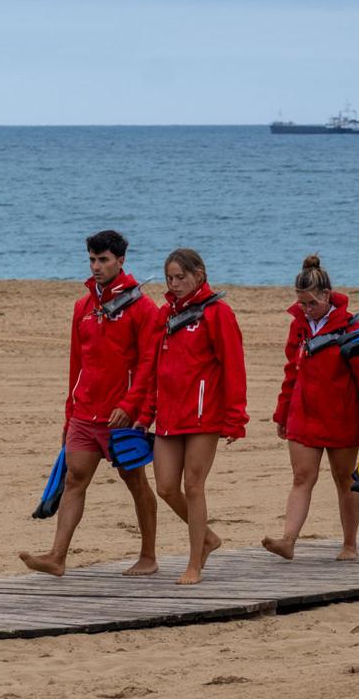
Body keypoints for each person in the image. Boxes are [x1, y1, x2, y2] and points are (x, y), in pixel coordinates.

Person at [19, 230, 160, 577]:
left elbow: (148, 364)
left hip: (121, 418)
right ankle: (57, 556)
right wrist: (69, 415)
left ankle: (149, 556)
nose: (96, 267)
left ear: (121, 261)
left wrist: (132, 407)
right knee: (74, 480)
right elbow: (76, 365)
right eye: (92, 260)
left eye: (104, 260)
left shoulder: (142, 307)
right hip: (84, 414)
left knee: (136, 482)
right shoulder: (82, 306)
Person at [262, 255, 359, 562]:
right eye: (301, 304)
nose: (305, 309)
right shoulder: (298, 328)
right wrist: (282, 412)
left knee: (345, 481)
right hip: (303, 414)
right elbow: (292, 371)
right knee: (302, 477)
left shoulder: (352, 329)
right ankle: (288, 540)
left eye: (311, 303)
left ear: (327, 296)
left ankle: (350, 544)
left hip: (342, 417)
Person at [147, 248, 248, 585]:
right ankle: (207, 537)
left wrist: (236, 418)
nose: (174, 284)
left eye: (181, 277)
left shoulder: (218, 313)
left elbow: (234, 368)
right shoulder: (165, 314)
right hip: (168, 414)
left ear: (199, 275)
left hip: (204, 416)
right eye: (169, 279)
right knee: (164, 487)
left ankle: (194, 563)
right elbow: (152, 367)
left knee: (193, 485)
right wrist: (145, 409)